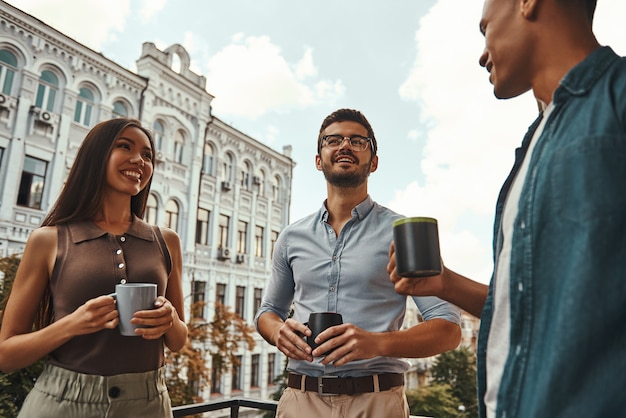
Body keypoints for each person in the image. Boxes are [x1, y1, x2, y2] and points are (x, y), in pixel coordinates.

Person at [388, 0, 626, 417]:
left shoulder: (617, 99)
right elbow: (529, 308)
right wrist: (443, 283)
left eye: (484, 29)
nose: (482, 53)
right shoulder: (531, 147)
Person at [255, 108, 461, 418]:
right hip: (301, 401)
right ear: (318, 159)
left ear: (373, 162)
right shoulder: (290, 237)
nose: (345, 146)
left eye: (358, 141)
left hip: (376, 403)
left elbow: (448, 329)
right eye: (333, 140)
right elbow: (267, 313)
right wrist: (278, 332)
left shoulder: (402, 233)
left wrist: (375, 343)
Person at [0, 118, 188, 417]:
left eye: (148, 155)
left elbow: (178, 342)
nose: (139, 160)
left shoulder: (167, 241)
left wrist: (171, 320)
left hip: (148, 403)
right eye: (124, 146)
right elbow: (6, 354)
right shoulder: (48, 240)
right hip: (62, 403)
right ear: (96, 156)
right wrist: (73, 324)